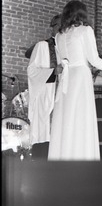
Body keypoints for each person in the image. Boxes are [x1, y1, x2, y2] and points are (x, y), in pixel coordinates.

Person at [48, 0, 102, 161]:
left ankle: (63, 156)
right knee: (81, 118)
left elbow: (60, 63)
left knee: (66, 117)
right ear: (82, 13)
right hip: (80, 76)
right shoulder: (85, 30)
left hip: (66, 78)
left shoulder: (58, 36)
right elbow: (93, 59)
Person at [27, 14, 63, 160]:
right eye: (59, 26)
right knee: (44, 133)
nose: (62, 29)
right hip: (45, 95)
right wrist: (53, 71)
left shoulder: (67, 48)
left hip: (62, 96)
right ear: (52, 28)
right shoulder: (42, 46)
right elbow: (31, 70)